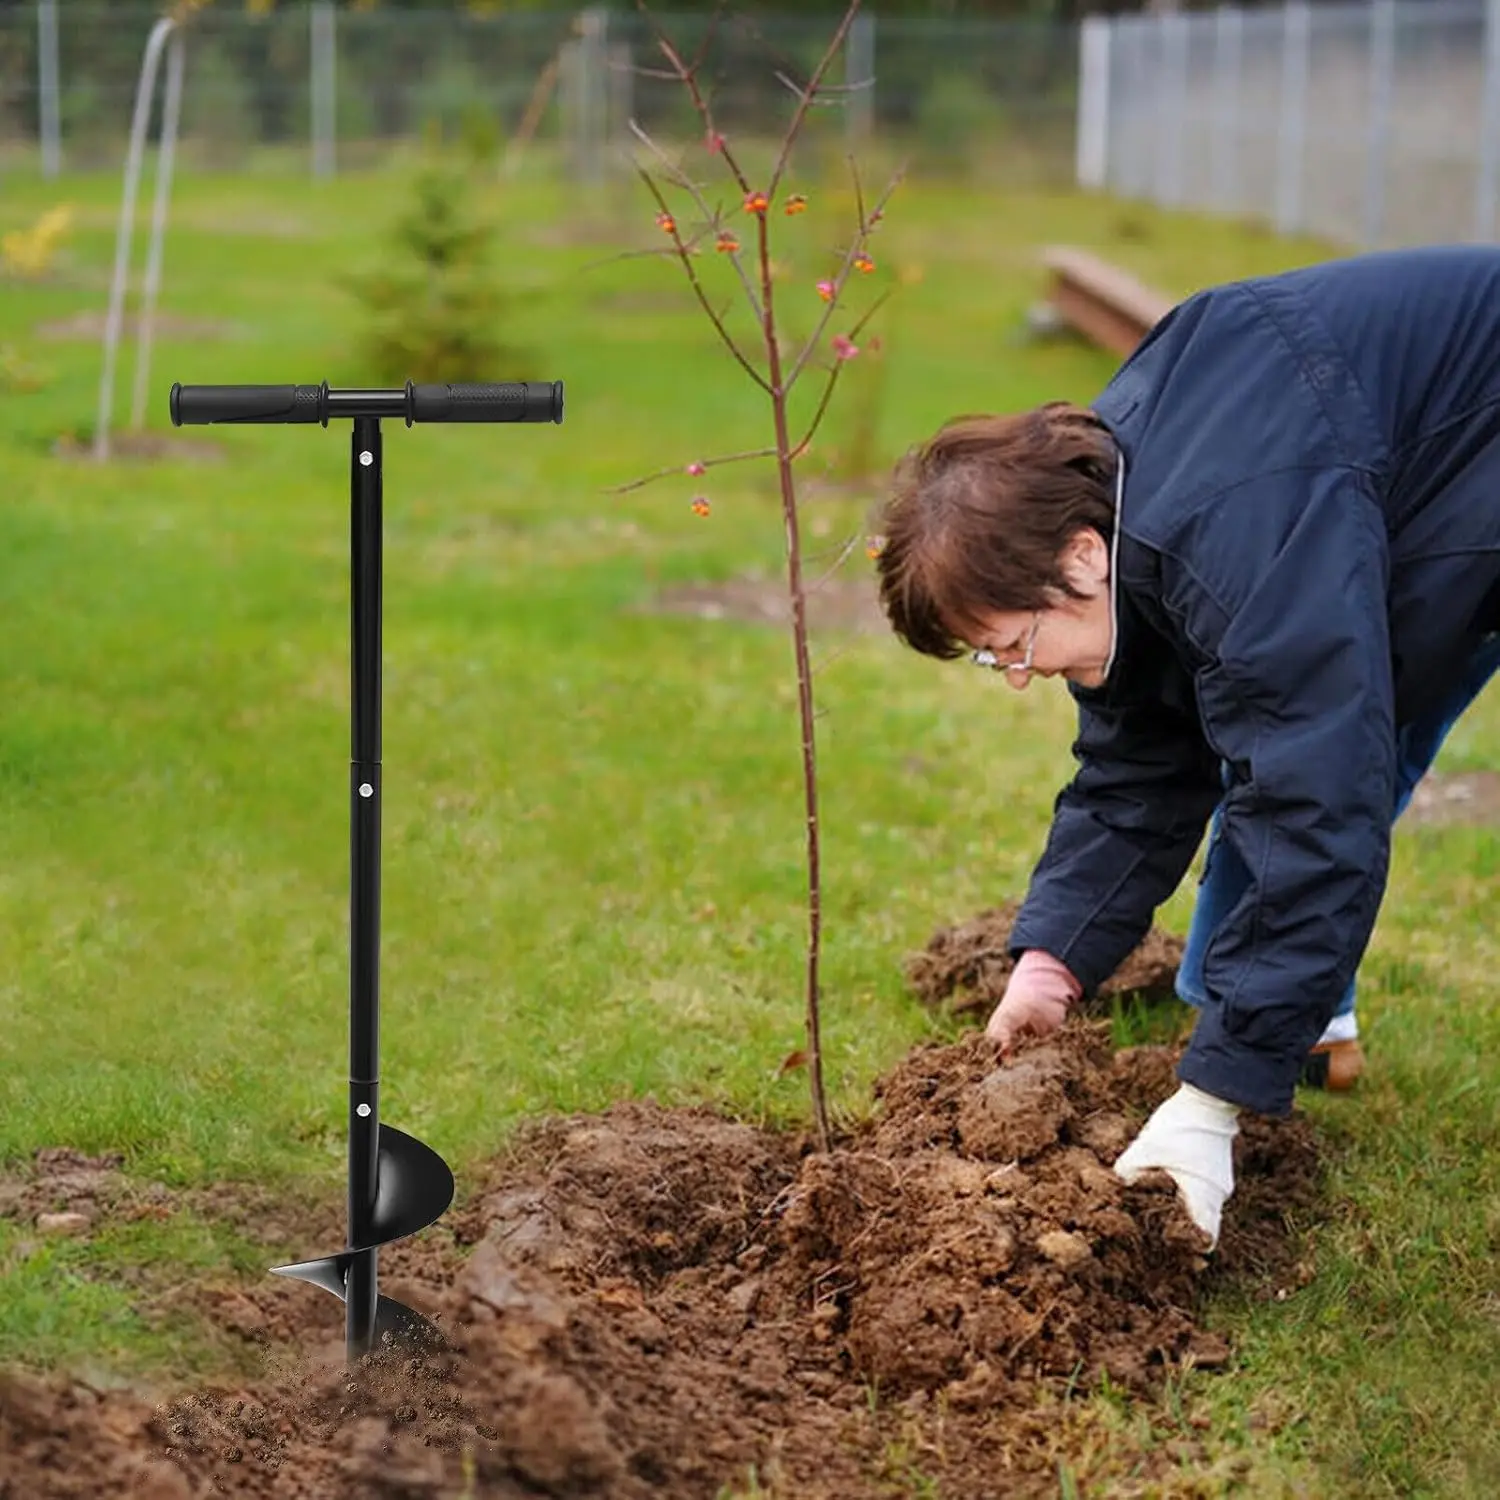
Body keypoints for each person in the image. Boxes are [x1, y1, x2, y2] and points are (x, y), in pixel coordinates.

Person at [874, 245, 1500, 1249]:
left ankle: (1274, 1033)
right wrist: (1053, 961)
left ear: (1078, 559)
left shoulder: (1230, 532)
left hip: (1461, 477)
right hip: (1412, 507)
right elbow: (1140, 764)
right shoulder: (1124, 522)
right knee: (1313, 741)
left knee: (1315, 763)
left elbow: (1312, 794)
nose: (1021, 675)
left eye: (1010, 647)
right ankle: (1293, 1018)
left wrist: (1212, 1100)